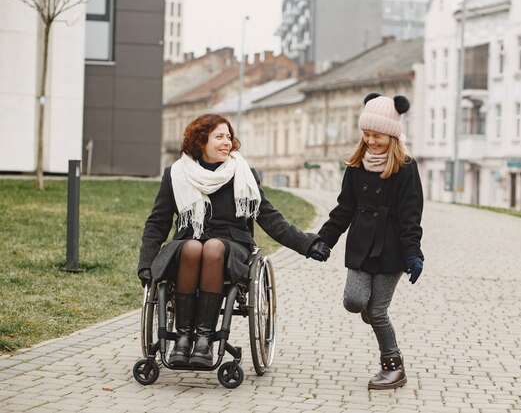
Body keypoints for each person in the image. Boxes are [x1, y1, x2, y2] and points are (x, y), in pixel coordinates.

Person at [137, 113, 330, 368]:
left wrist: (307, 243)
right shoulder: (176, 174)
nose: (227, 142)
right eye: (219, 137)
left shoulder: (242, 173)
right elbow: (157, 223)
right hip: (187, 246)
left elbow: (269, 217)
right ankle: (183, 338)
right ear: (200, 141)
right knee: (195, 246)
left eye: (228, 136)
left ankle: (205, 339)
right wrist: (146, 263)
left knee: (214, 247)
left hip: (232, 249)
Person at [317, 93, 424, 390]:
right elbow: (343, 209)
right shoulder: (355, 166)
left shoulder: (406, 167)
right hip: (362, 246)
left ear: (392, 134)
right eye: (366, 134)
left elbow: (411, 216)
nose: (371, 140)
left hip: (393, 250)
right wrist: (324, 240)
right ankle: (372, 311)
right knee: (354, 301)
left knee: (378, 311)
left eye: (377, 135)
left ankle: (393, 366)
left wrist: (414, 254)